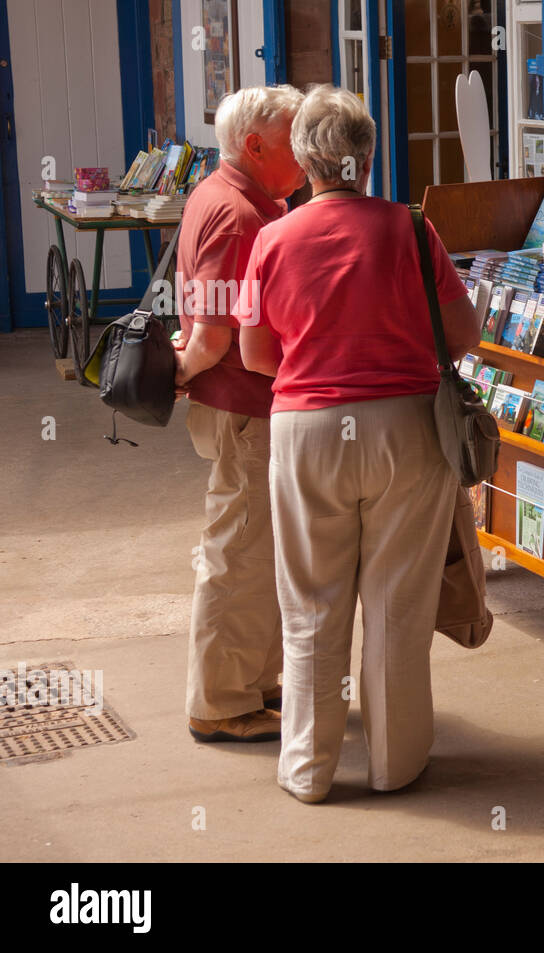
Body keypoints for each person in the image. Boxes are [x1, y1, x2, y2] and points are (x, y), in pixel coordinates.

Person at [236, 84, 481, 803]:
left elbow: (255, 353)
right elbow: (462, 336)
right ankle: (393, 763)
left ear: (308, 161)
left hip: (306, 428)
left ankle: (308, 769)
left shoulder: (272, 240)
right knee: (398, 601)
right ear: (367, 158)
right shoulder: (412, 230)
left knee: (311, 601)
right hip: (408, 425)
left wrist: (318, 376)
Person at [175, 84, 306, 743]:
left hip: (241, 405)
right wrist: (181, 372)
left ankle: (253, 683)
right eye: (294, 142)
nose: (307, 155)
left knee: (257, 549)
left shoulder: (224, 195)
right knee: (239, 550)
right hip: (245, 406)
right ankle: (221, 700)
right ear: (254, 146)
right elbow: (215, 334)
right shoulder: (240, 217)